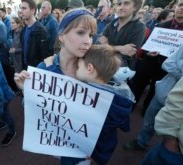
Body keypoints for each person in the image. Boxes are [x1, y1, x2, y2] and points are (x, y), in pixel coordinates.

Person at [14, 8, 133, 165]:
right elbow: (36, 111)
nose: (87, 41)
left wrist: (96, 150)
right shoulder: (44, 68)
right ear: (61, 35)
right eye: (81, 33)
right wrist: (26, 91)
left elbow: (113, 114)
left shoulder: (92, 67)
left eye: (91, 35)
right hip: (62, 145)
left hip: (87, 152)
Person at [124, 45, 183, 151]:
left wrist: (179, 63)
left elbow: (173, 64)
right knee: (149, 120)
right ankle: (141, 142)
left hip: (180, 102)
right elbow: (167, 64)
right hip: (164, 91)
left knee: (175, 133)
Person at [141, 77, 183, 165]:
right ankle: (141, 142)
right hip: (176, 151)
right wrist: (170, 141)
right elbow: (178, 99)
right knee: (148, 121)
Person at [100, 0, 146, 78]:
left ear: (135, 7)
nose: (121, 7)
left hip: (121, 72)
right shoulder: (112, 23)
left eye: (126, 3)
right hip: (102, 65)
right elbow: (98, 44)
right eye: (119, 4)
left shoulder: (139, 27)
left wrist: (106, 46)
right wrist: (119, 48)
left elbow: (128, 53)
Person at [19, 0, 50, 69]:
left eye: (24, 8)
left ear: (32, 11)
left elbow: (45, 56)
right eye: (20, 8)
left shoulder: (41, 30)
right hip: (26, 69)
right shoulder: (23, 30)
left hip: (36, 71)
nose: (21, 11)